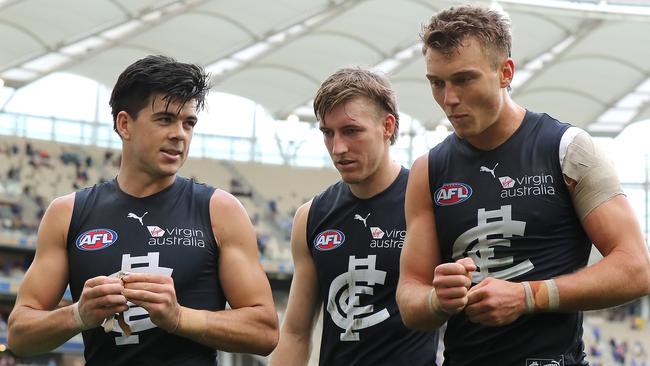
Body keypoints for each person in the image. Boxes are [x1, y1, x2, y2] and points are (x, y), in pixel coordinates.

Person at [396, 5, 650, 366]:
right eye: (437, 82)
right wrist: (437, 300)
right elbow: (409, 299)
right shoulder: (428, 170)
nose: (449, 99)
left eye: (464, 79)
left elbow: (636, 268)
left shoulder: (568, 149)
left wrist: (528, 296)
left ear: (505, 72)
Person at [7, 55, 278, 365]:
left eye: (188, 122)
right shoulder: (67, 213)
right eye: (164, 119)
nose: (180, 134)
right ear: (125, 124)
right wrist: (78, 315)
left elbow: (266, 331)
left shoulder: (220, 210)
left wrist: (179, 318)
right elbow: (19, 334)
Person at [270, 67, 438, 366]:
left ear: (387, 127)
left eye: (351, 130)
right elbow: (295, 332)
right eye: (327, 133)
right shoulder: (310, 216)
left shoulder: (427, 204)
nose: (338, 148)